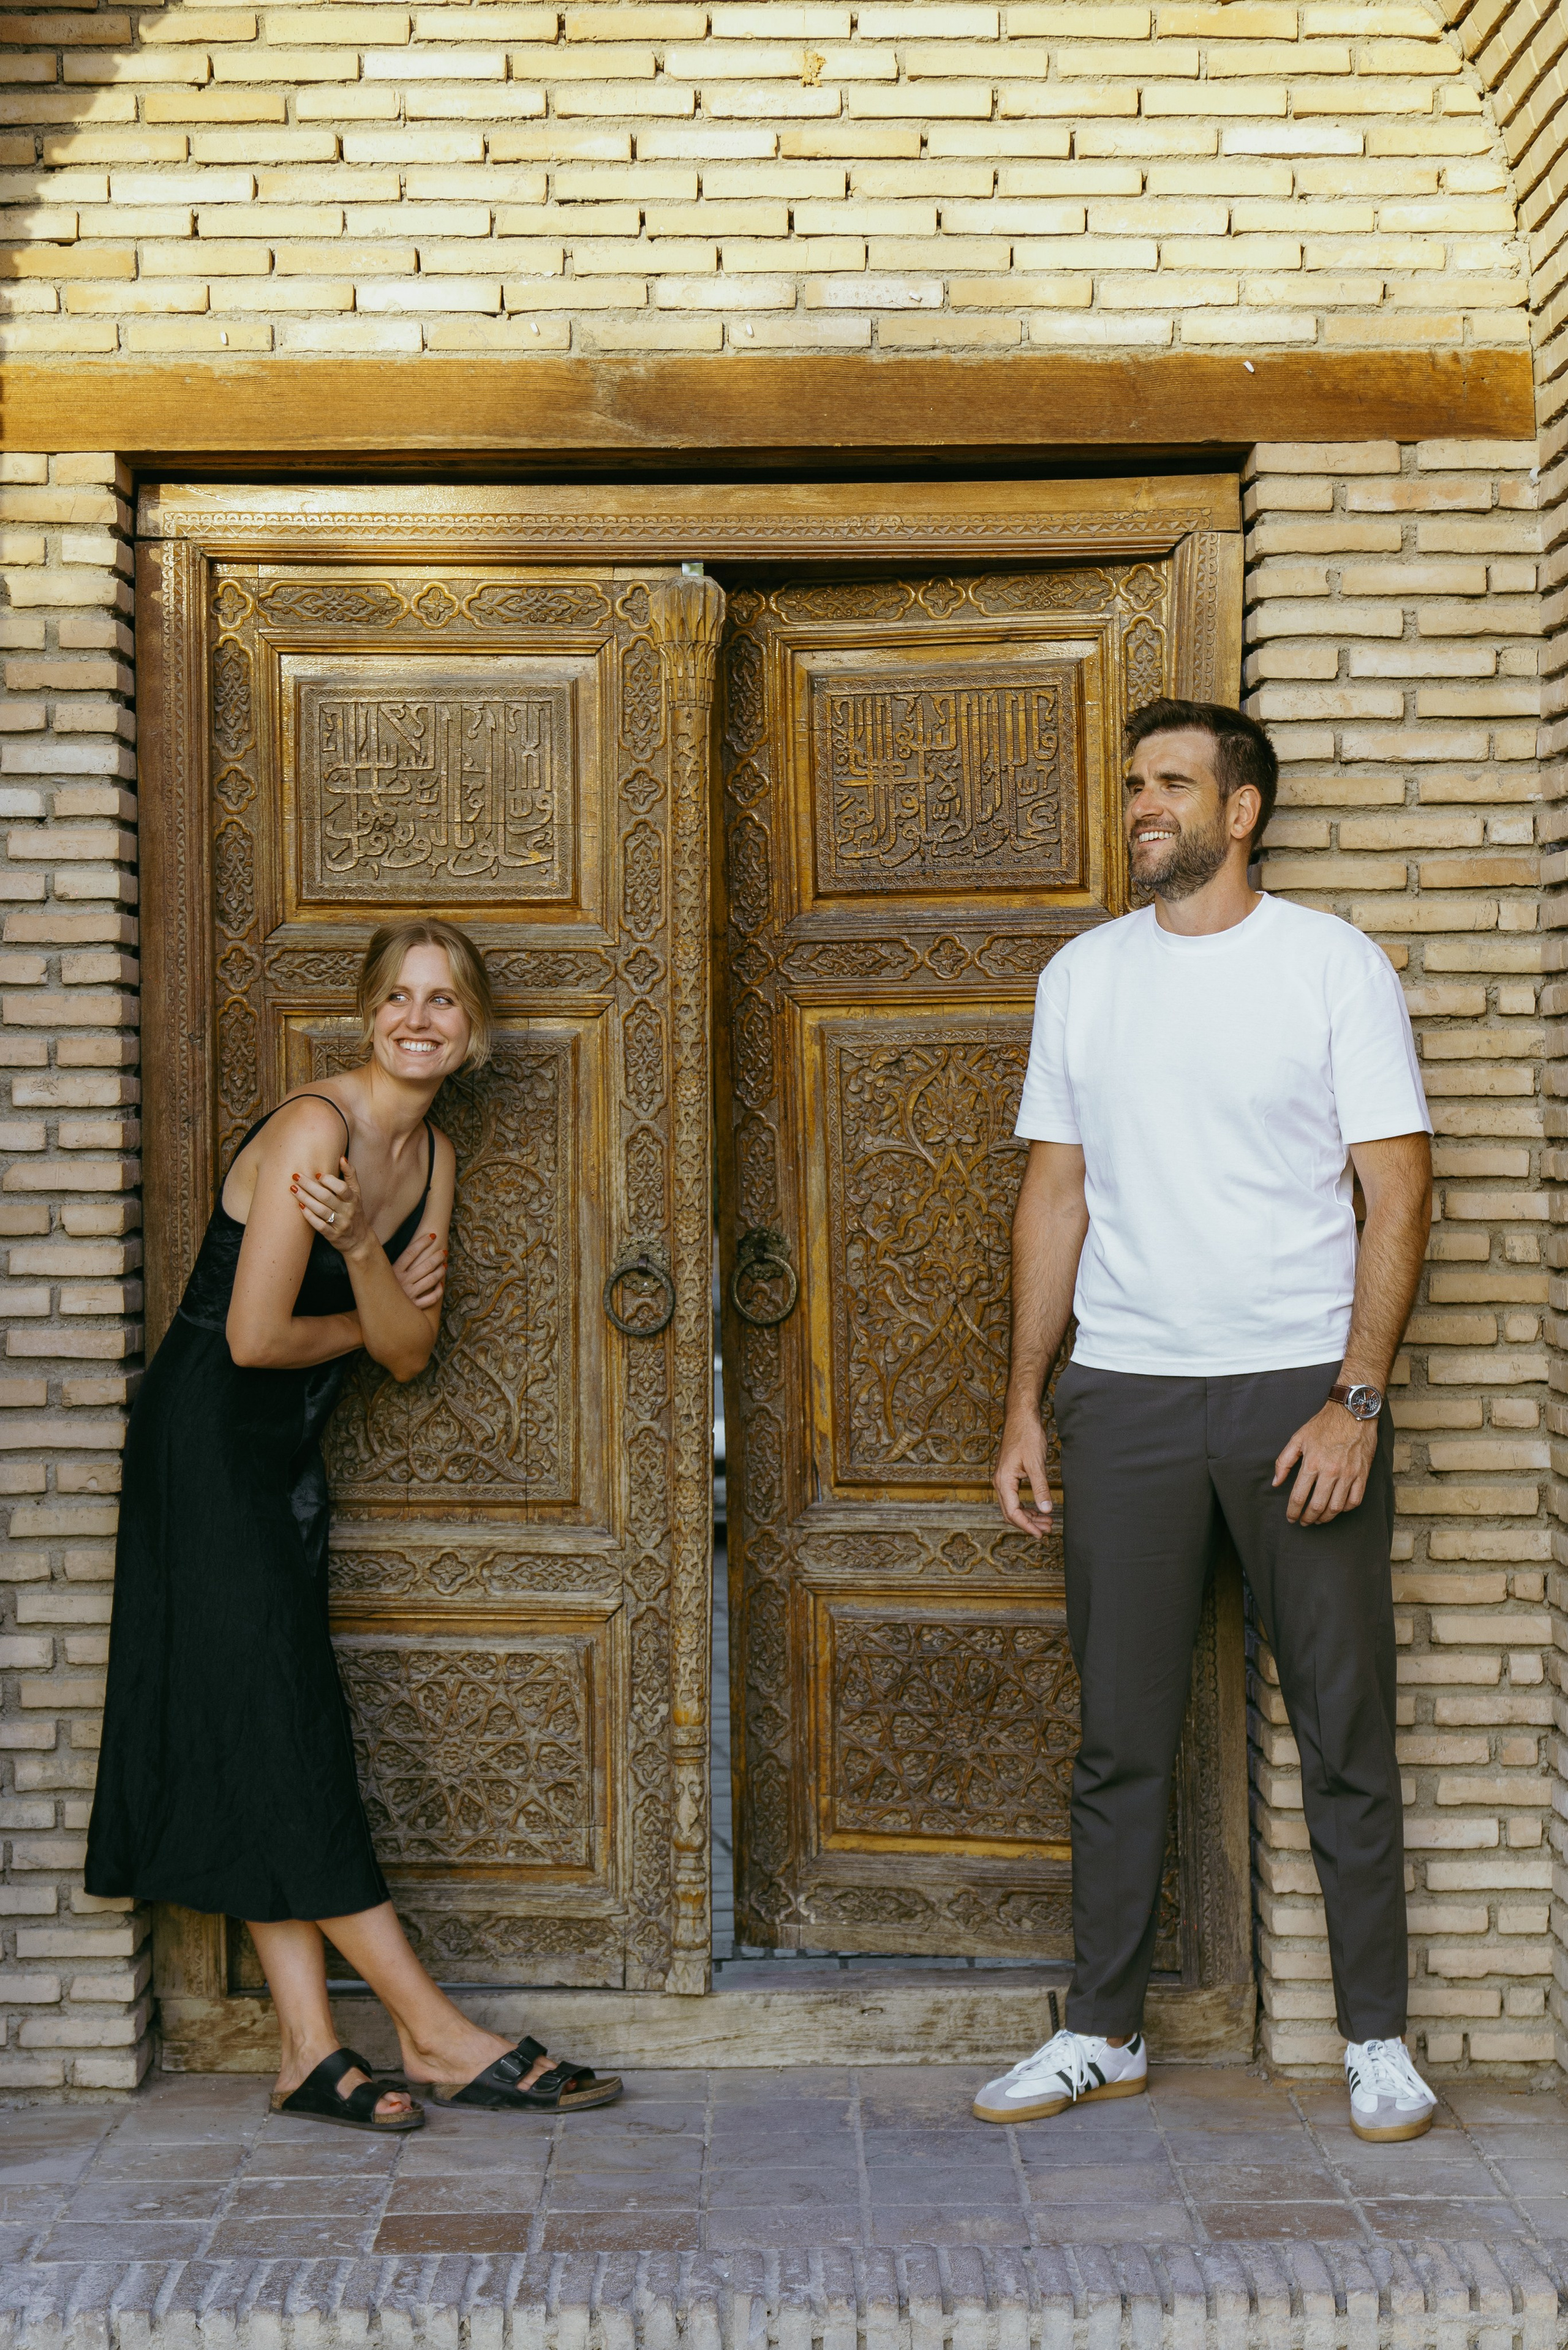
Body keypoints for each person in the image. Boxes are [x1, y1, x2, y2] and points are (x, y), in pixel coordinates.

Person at [976, 698, 1437, 2146]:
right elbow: (1054, 1195)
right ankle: (1097, 2030)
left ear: (1241, 811)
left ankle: (1376, 2038)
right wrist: (1023, 1403)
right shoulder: (1083, 977)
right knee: (1118, 1735)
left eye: (1168, 784)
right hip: (1123, 1395)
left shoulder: (1327, 966)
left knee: (1342, 1727)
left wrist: (1354, 1396)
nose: (1139, 807)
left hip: (1296, 1390)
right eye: (1131, 785)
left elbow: (1399, 1186)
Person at [86, 917, 620, 2131]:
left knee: (258, 1730)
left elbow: (412, 1354)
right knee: (286, 1723)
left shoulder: (430, 1159)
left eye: (444, 1001)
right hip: (204, 1452)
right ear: (367, 1014)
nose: (419, 1019)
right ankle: (431, 2028)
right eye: (399, 998)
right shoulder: (310, 1130)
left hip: (279, 1454)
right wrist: (371, 1299)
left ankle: (310, 2051)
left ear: (472, 1032)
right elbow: (254, 1339)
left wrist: (362, 1245)